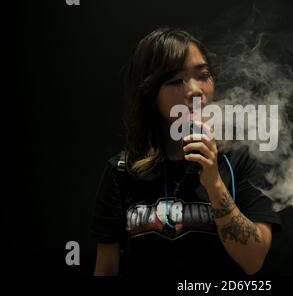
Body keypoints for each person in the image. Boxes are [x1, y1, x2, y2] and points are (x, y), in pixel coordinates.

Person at [91, 28, 282, 277]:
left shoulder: (240, 160)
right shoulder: (122, 169)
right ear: (150, 93)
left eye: (203, 75)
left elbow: (253, 261)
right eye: (176, 81)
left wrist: (214, 183)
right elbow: (106, 266)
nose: (194, 90)